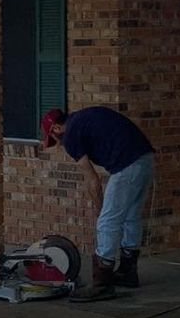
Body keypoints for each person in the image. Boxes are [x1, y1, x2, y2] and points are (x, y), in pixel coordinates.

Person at [40, 105, 155, 297]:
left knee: (107, 221)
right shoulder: (83, 117)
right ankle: (128, 272)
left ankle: (102, 283)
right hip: (145, 157)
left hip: (126, 164)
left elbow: (93, 181)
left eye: (54, 140)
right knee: (130, 216)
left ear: (56, 129)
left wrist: (100, 208)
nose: (59, 145)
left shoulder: (70, 135)